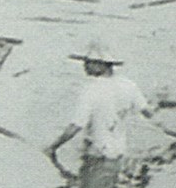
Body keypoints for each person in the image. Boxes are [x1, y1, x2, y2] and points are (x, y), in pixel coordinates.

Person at [45, 40, 153, 170]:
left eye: (88, 62)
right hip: (119, 152)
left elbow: (76, 126)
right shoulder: (129, 85)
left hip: (97, 154)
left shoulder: (91, 90)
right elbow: (149, 113)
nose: (85, 66)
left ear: (101, 65)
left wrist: (52, 147)